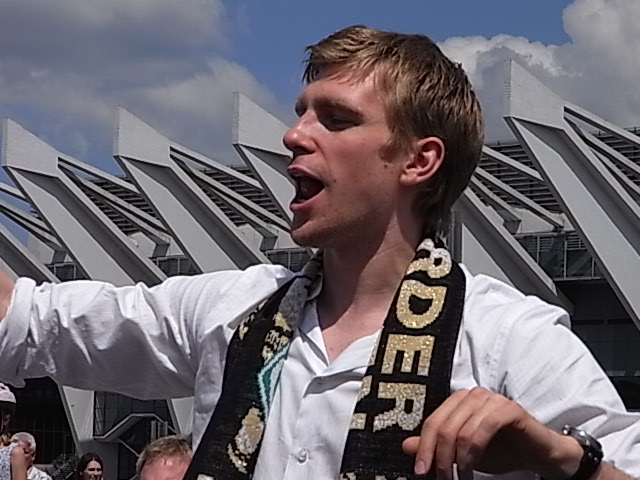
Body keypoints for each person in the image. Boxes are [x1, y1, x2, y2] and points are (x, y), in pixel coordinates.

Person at [0, 24, 638, 479]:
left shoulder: (507, 337)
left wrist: (559, 456)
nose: (293, 134)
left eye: (335, 119)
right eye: (301, 112)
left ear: (418, 161)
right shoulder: (233, 309)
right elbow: (32, 320)